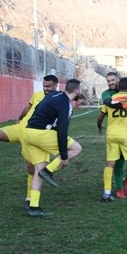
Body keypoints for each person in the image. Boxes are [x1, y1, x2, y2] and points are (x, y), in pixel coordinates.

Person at [0, 75, 59, 210]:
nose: (45, 89)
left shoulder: (59, 100)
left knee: (32, 169)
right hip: (20, 129)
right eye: (44, 86)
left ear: (56, 85)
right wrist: (20, 118)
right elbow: (27, 108)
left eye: (49, 86)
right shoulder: (37, 95)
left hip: (35, 135)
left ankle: (30, 199)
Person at [22, 79, 84, 217]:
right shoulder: (66, 105)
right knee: (76, 148)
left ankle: (34, 207)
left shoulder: (53, 95)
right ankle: (49, 171)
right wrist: (63, 156)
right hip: (40, 133)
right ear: (76, 91)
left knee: (38, 170)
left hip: (27, 133)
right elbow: (62, 131)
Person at [101, 72, 127, 196]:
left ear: (118, 80)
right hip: (116, 132)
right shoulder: (106, 93)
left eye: (113, 80)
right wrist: (124, 104)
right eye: (108, 81)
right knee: (118, 161)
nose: (110, 83)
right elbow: (108, 102)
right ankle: (120, 189)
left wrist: (124, 99)